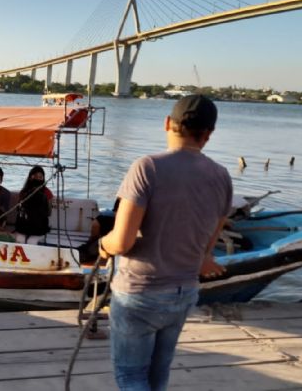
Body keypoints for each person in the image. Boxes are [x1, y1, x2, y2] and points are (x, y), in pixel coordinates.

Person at [98, 95, 232, 390]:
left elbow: (122, 241)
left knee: (132, 378)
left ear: (167, 123)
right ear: (209, 133)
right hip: (183, 294)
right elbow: (207, 247)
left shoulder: (147, 168)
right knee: (158, 376)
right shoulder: (222, 176)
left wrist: (103, 245)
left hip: (140, 294)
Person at [13, 166, 52, 244]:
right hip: (23, 226)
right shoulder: (23, 192)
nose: (38, 179)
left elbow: (48, 212)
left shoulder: (47, 192)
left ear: (43, 178)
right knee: (20, 240)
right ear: (30, 177)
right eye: (35, 176)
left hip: (39, 227)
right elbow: (18, 209)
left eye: (40, 177)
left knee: (32, 241)